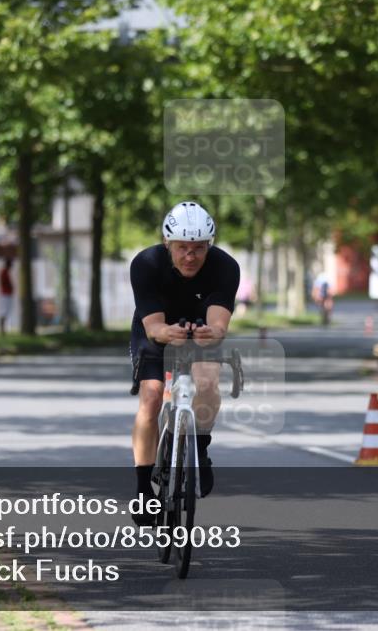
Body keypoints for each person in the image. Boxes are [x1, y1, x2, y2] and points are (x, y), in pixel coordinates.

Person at [129, 201, 239, 525]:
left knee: (206, 381)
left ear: (210, 245)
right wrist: (167, 332)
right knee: (151, 396)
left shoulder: (225, 267)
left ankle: (200, 449)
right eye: (182, 248)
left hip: (200, 329)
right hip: (157, 327)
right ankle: (142, 490)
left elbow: (219, 325)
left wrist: (212, 332)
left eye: (198, 249)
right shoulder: (146, 264)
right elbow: (153, 328)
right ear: (168, 243)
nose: (190, 257)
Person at [0, 257, 14, 335]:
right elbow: (4, 283)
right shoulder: (4, 272)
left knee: (6, 311)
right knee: (4, 311)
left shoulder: (6, 272)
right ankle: (2, 329)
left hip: (7, 294)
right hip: (5, 294)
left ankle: (3, 329)